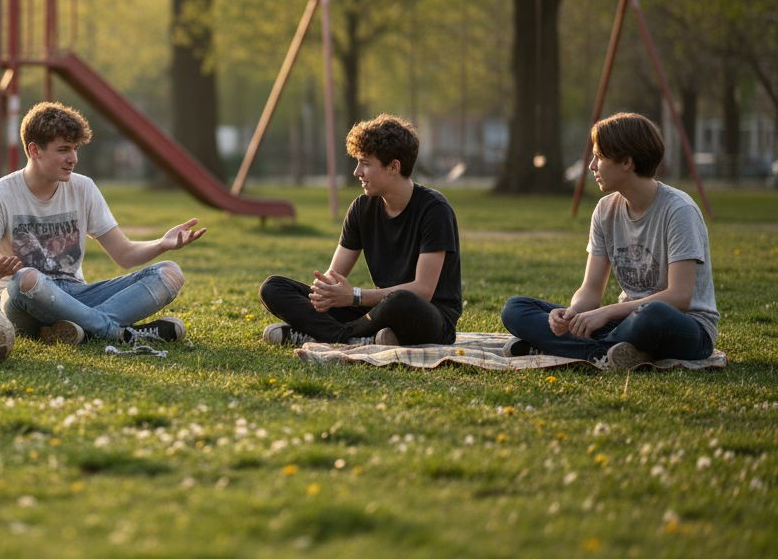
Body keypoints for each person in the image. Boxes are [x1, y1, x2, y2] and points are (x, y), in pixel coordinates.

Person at [0, 101, 205, 345]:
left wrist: (162, 243)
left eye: (75, 149)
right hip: (19, 300)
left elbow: (124, 254)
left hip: (74, 295)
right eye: (63, 150)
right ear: (35, 150)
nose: (73, 158)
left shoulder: (83, 188)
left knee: (169, 273)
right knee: (26, 278)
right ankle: (119, 332)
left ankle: (76, 329)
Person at [502, 113, 718, 369]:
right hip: (625, 324)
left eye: (599, 157)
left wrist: (606, 312)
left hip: (685, 327)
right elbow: (591, 290)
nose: (592, 166)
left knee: (653, 314)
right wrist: (572, 314)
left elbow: (680, 297)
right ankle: (608, 352)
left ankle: (563, 347)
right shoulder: (605, 210)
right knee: (516, 308)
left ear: (626, 162)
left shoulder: (679, 210)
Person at [259, 114, 462, 347]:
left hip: (425, 316)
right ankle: (354, 337)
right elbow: (333, 275)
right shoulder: (361, 208)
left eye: (365, 163)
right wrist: (323, 293)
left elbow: (423, 290)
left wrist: (355, 296)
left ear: (394, 167)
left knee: (401, 300)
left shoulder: (435, 210)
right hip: (374, 311)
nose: (357, 172)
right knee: (273, 287)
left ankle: (324, 334)